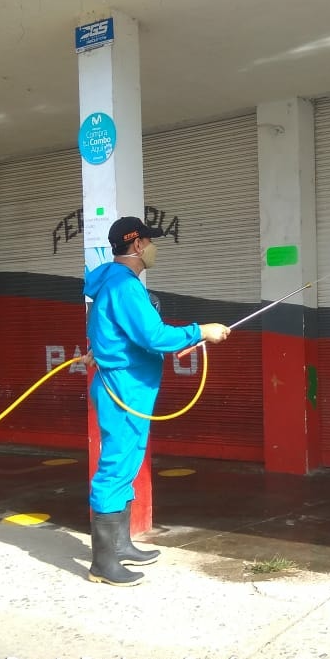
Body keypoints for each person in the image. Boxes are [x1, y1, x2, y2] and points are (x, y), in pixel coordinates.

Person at [84, 215, 230, 586]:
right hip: (123, 389)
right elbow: (154, 336)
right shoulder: (124, 285)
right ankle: (103, 563)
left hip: (127, 386)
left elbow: (108, 327)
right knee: (115, 467)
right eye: (149, 241)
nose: (152, 248)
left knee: (128, 463)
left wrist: (98, 350)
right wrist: (202, 331)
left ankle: (121, 545)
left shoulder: (111, 282)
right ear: (137, 245)